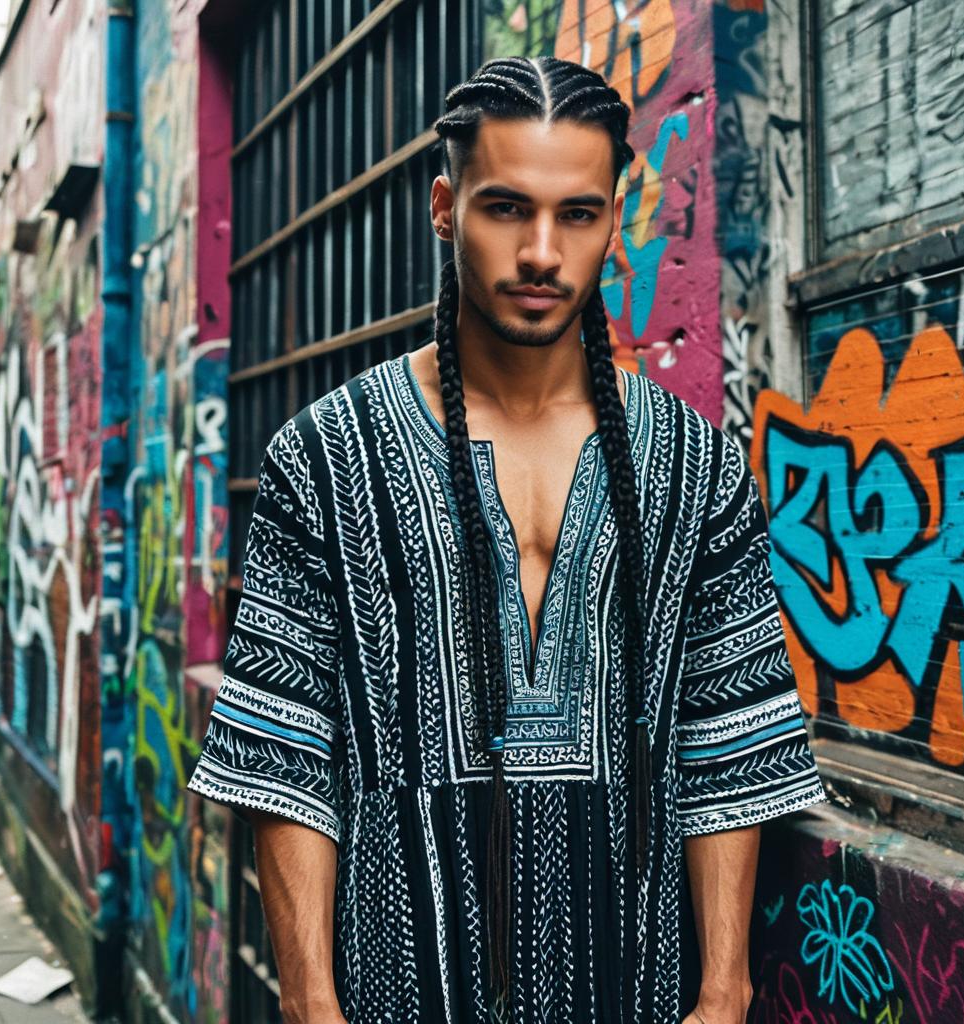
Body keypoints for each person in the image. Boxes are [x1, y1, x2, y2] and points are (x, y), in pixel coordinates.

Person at [186, 55, 827, 1024]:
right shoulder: (323, 458)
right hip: (401, 992)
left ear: (614, 222)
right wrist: (312, 1003)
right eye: (503, 208)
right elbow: (285, 754)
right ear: (444, 208)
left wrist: (724, 991)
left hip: (635, 994)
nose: (539, 251)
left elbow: (726, 739)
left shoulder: (693, 468)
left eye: (576, 213)